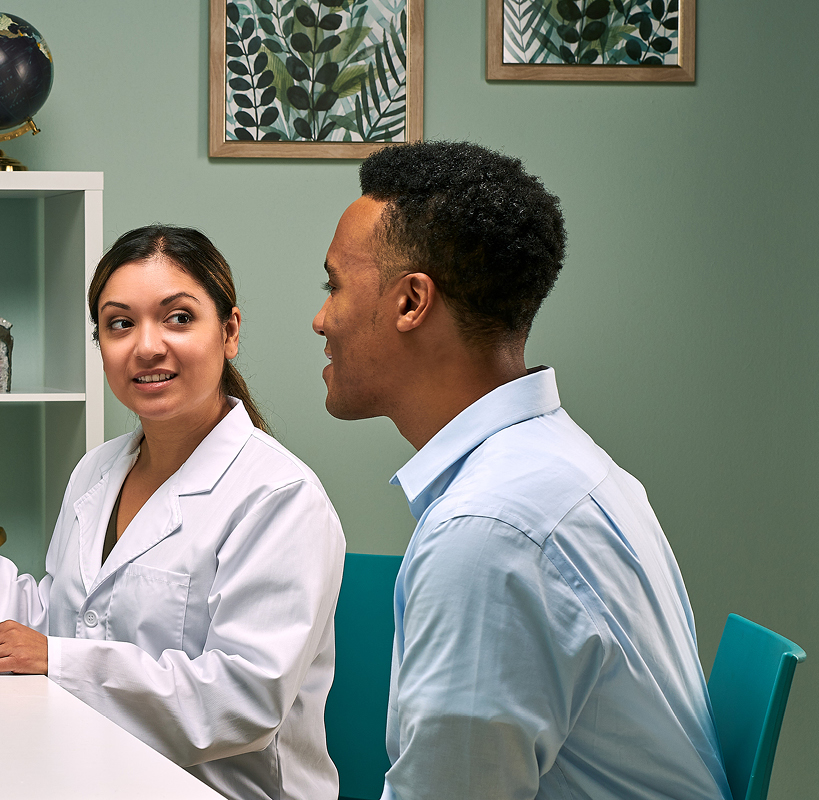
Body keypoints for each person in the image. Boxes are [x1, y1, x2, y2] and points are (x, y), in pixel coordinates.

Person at [0, 225, 346, 800]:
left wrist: (59, 660)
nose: (147, 346)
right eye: (120, 324)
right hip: (87, 770)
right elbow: (57, 618)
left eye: (178, 318)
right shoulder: (98, 471)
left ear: (229, 332)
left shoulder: (279, 495)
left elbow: (241, 701)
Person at [311, 141, 730, 800]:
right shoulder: (567, 467)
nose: (320, 319)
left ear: (409, 302)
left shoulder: (489, 530)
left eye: (332, 284)